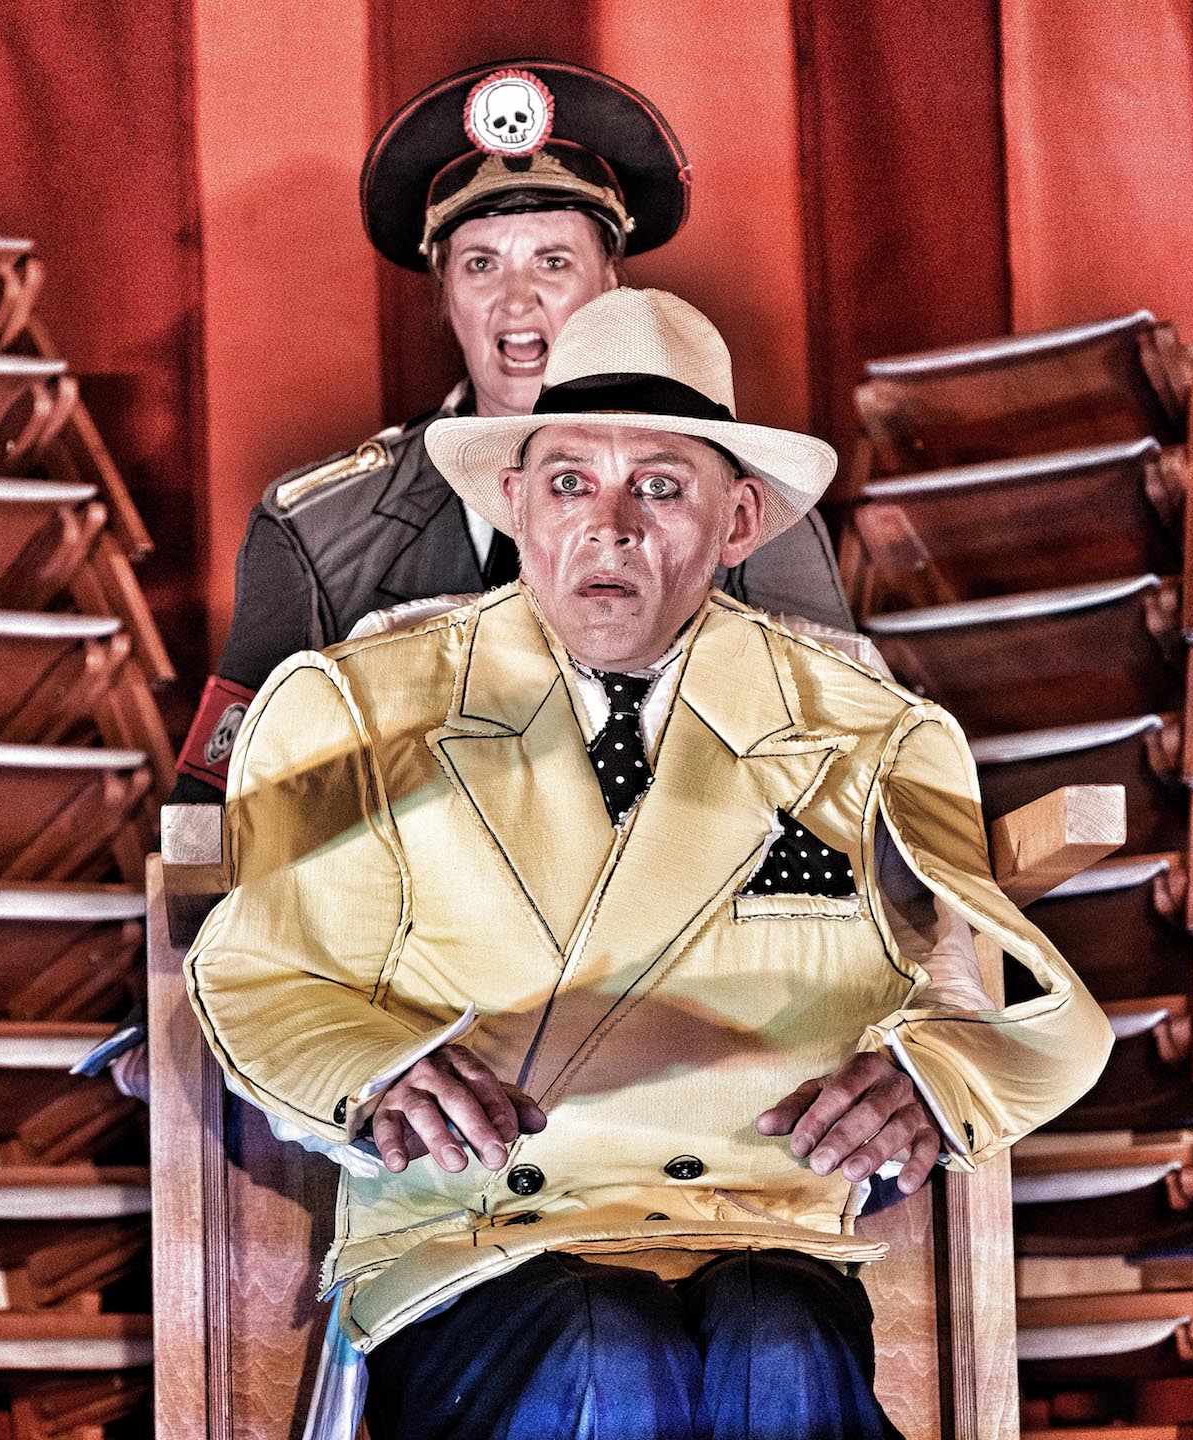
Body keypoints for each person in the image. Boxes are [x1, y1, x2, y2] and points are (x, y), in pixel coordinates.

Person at [183, 288, 1113, 1438]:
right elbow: (264, 969)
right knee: (607, 1350)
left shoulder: (868, 728)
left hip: (760, 1225)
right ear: (515, 504)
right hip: (476, 1237)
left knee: (780, 1351)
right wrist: (373, 1071)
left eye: (660, 488)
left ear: (740, 521)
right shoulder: (354, 708)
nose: (609, 527)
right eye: (569, 483)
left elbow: (963, 986)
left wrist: (935, 1076)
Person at [171, 60, 854, 802]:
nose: (516, 300)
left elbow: (842, 779)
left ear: (610, 284)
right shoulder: (319, 533)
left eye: (552, 262)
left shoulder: (741, 504)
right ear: (445, 294)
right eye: (481, 265)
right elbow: (221, 815)